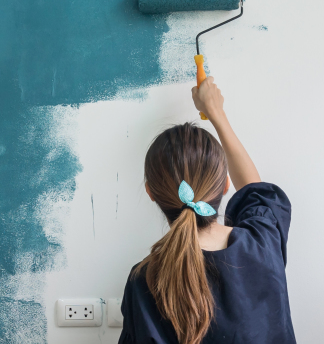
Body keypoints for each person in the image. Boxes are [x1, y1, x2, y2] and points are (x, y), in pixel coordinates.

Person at [118, 76, 295, 344]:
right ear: (225, 186)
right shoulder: (262, 242)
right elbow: (255, 192)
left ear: (150, 193)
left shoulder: (145, 279)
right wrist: (216, 114)